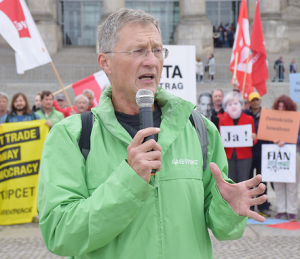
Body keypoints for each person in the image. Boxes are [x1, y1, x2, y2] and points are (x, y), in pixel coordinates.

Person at [37, 8, 267, 259]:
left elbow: (224, 230)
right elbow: (60, 234)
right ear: (105, 62)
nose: (151, 61)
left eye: (157, 50)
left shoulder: (199, 129)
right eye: (138, 51)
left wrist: (229, 209)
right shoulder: (71, 136)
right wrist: (130, 179)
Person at [272, 95, 300, 221]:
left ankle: (292, 211)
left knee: (292, 184)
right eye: (279, 106)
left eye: (283, 106)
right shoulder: (273, 120)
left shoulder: (296, 119)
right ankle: (281, 210)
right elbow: (268, 133)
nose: (281, 108)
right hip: (277, 154)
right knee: (278, 184)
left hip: (292, 153)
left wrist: (288, 140)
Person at [219, 91, 257, 183]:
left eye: (236, 103)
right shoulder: (223, 120)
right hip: (228, 156)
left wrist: (253, 138)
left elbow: (254, 141)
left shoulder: (249, 119)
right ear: (226, 107)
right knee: (231, 181)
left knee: (243, 181)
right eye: (230, 104)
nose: (233, 106)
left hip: (245, 156)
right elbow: (221, 139)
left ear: (241, 105)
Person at [244, 92, 271, 217]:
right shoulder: (245, 115)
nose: (255, 102)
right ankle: (249, 205)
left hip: (262, 152)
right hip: (249, 152)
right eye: (252, 100)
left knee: (262, 182)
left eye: (257, 100)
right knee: (249, 181)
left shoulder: (267, 115)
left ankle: (262, 206)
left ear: (260, 101)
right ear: (249, 102)